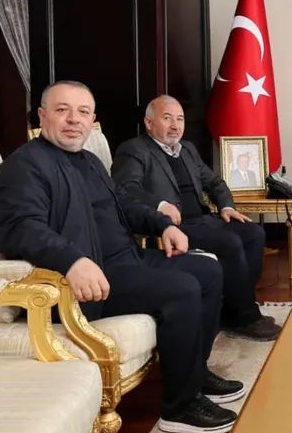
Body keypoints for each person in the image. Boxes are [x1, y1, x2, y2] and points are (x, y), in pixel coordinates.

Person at [0, 81, 245, 433]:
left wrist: (161, 225)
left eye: (83, 112)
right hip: (90, 279)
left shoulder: (90, 161)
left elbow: (122, 205)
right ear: (42, 115)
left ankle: (194, 374)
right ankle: (180, 408)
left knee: (208, 269)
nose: (74, 120)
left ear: (92, 119)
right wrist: (72, 261)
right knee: (182, 288)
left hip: (127, 258)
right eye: (63, 110)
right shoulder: (23, 167)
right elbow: (21, 228)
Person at [111, 95, 279, 340]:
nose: (175, 125)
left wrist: (226, 206)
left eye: (179, 119)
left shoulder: (187, 149)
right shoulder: (134, 149)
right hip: (173, 225)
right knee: (229, 242)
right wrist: (160, 205)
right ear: (149, 123)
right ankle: (245, 316)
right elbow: (126, 188)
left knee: (254, 233)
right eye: (167, 118)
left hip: (205, 219)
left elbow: (214, 182)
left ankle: (233, 307)